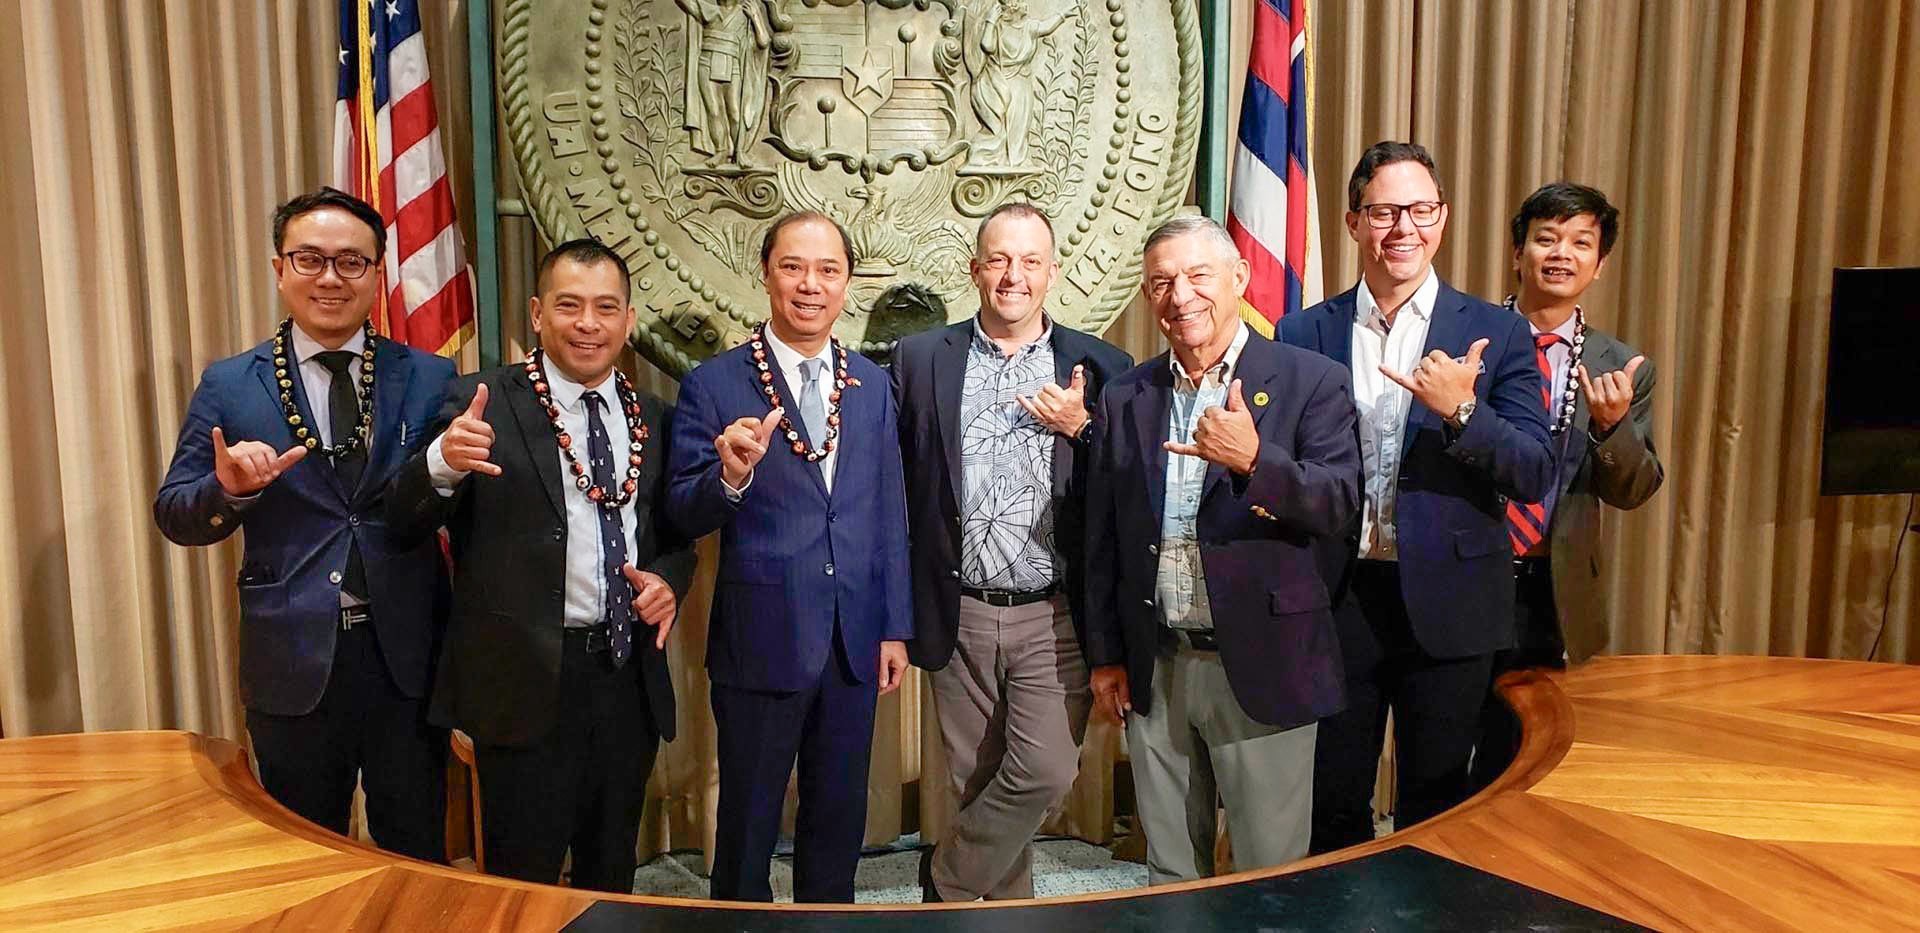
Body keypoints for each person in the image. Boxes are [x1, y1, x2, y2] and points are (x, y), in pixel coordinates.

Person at [384, 238, 693, 892]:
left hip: (625, 679)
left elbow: (674, 537)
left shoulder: (653, 417)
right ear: (536, 313)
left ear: (628, 320)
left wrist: (669, 581)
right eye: (569, 305)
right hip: (522, 686)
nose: (588, 324)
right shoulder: (480, 402)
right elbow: (403, 522)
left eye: (605, 308)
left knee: (611, 871)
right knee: (522, 883)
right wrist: (441, 463)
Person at [154, 187, 452, 862]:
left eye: (351, 262)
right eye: (310, 259)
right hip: (292, 659)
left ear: (377, 273)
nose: (330, 278)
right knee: (304, 858)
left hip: (408, 659)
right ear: (279, 268)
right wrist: (229, 490)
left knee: (417, 854)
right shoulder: (232, 384)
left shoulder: (429, 376)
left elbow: (451, 508)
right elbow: (175, 512)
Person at [1279, 141, 1554, 853]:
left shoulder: (1498, 331)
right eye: (1383, 212)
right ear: (1353, 222)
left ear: (1443, 218)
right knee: (1330, 797)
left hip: (1452, 598)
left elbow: (1534, 471)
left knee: (1435, 804)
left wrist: (1463, 411)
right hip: (1338, 594)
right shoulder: (1302, 332)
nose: (1404, 227)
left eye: (1421, 210)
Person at [1082, 215, 1361, 882]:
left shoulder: (1311, 379)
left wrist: (1256, 462)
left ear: (1239, 277)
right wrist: (1107, 654)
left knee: (1270, 871)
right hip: (1157, 665)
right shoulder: (1127, 394)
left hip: (1267, 663)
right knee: (1170, 869)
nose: (1180, 296)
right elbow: (1103, 537)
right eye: (1162, 282)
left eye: (1197, 275)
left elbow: (1338, 504)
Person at [666, 211, 913, 903]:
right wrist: (730, 477)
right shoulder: (714, 383)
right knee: (747, 827)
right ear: (766, 273)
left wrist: (894, 626)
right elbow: (682, 510)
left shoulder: (872, 384)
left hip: (853, 639)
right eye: (794, 267)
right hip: (762, 639)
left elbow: (887, 509)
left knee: (838, 819)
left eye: (828, 270)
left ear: (847, 283)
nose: (811, 284)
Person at [890, 202, 1132, 901]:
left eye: (1029, 261)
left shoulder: (1102, 365)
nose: (1013, 276)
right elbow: (898, 484)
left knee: (1045, 771)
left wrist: (1085, 428)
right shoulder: (920, 359)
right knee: (977, 783)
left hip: (1055, 613)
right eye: (998, 259)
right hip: (958, 606)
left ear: (1053, 272)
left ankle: (943, 881)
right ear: (975, 269)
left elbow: (1129, 485)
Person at [1469, 182, 1664, 787]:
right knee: (1448, 755)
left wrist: (1612, 427)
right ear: (1517, 252)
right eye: (1546, 239)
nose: (1561, 254)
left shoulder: (1621, 366)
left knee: (1530, 763)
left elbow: (1634, 489)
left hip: (1553, 591)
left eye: (1581, 243)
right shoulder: (1467, 340)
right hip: (1465, 575)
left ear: (1599, 265)